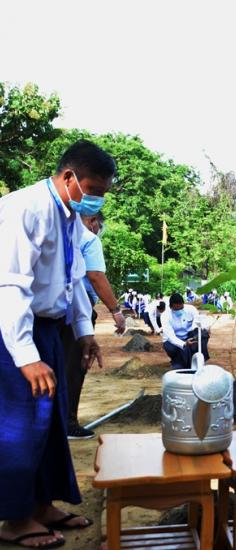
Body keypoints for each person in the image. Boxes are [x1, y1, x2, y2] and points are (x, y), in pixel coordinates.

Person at [0, 139, 114, 547]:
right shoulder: (25, 209)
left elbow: (74, 277)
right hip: (15, 330)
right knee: (21, 424)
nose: (96, 201)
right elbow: (10, 285)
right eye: (93, 190)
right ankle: (14, 518)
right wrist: (25, 356)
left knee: (50, 422)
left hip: (49, 329)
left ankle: (41, 505)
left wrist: (85, 333)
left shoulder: (69, 217)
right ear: (69, 177)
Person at [60, 213, 126, 440]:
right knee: (74, 365)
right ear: (92, 221)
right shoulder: (89, 239)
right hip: (77, 307)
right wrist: (115, 310)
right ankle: (68, 422)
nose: (99, 230)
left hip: (54, 307)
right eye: (99, 225)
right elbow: (96, 276)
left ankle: (52, 421)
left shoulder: (61, 233)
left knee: (57, 363)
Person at [160, 293, 209, 370]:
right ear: (170, 307)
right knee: (174, 349)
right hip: (173, 339)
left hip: (189, 335)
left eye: (181, 308)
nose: (179, 310)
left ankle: (200, 359)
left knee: (203, 334)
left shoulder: (191, 309)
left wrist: (199, 331)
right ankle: (178, 362)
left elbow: (196, 323)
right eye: (176, 309)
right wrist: (184, 344)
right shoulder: (165, 316)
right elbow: (170, 336)